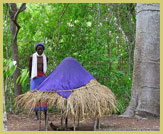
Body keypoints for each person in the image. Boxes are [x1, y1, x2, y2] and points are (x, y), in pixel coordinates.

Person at [29, 42, 48, 120]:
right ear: (36, 50)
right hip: (34, 78)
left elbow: (45, 68)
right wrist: (30, 77)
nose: (39, 50)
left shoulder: (46, 57)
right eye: (38, 49)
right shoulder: (32, 57)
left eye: (41, 49)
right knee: (34, 95)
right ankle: (36, 115)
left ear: (43, 50)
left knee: (44, 95)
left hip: (42, 77)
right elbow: (29, 67)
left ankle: (45, 114)